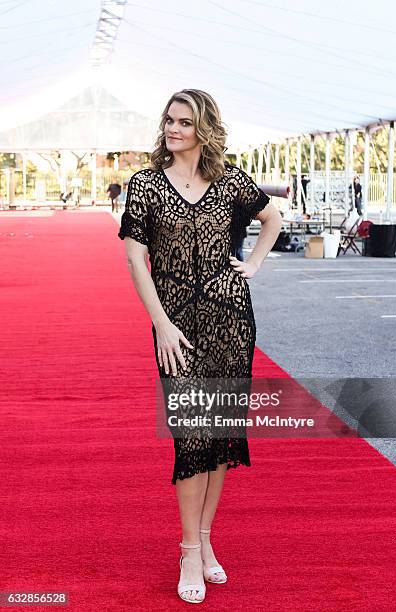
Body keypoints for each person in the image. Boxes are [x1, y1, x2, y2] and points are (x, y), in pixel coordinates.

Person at [117, 89, 282, 605]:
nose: (172, 129)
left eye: (184, 122)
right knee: (190, 435)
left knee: (218, 437)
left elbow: (272, 218)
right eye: (168, 120)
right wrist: (161, 325)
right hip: (177, 329)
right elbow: (134, 259)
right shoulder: (145, 185)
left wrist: (252, 264)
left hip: (232, 320)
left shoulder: (231, 180)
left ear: (203, 128)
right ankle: (189, 548)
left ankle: (207, 541)